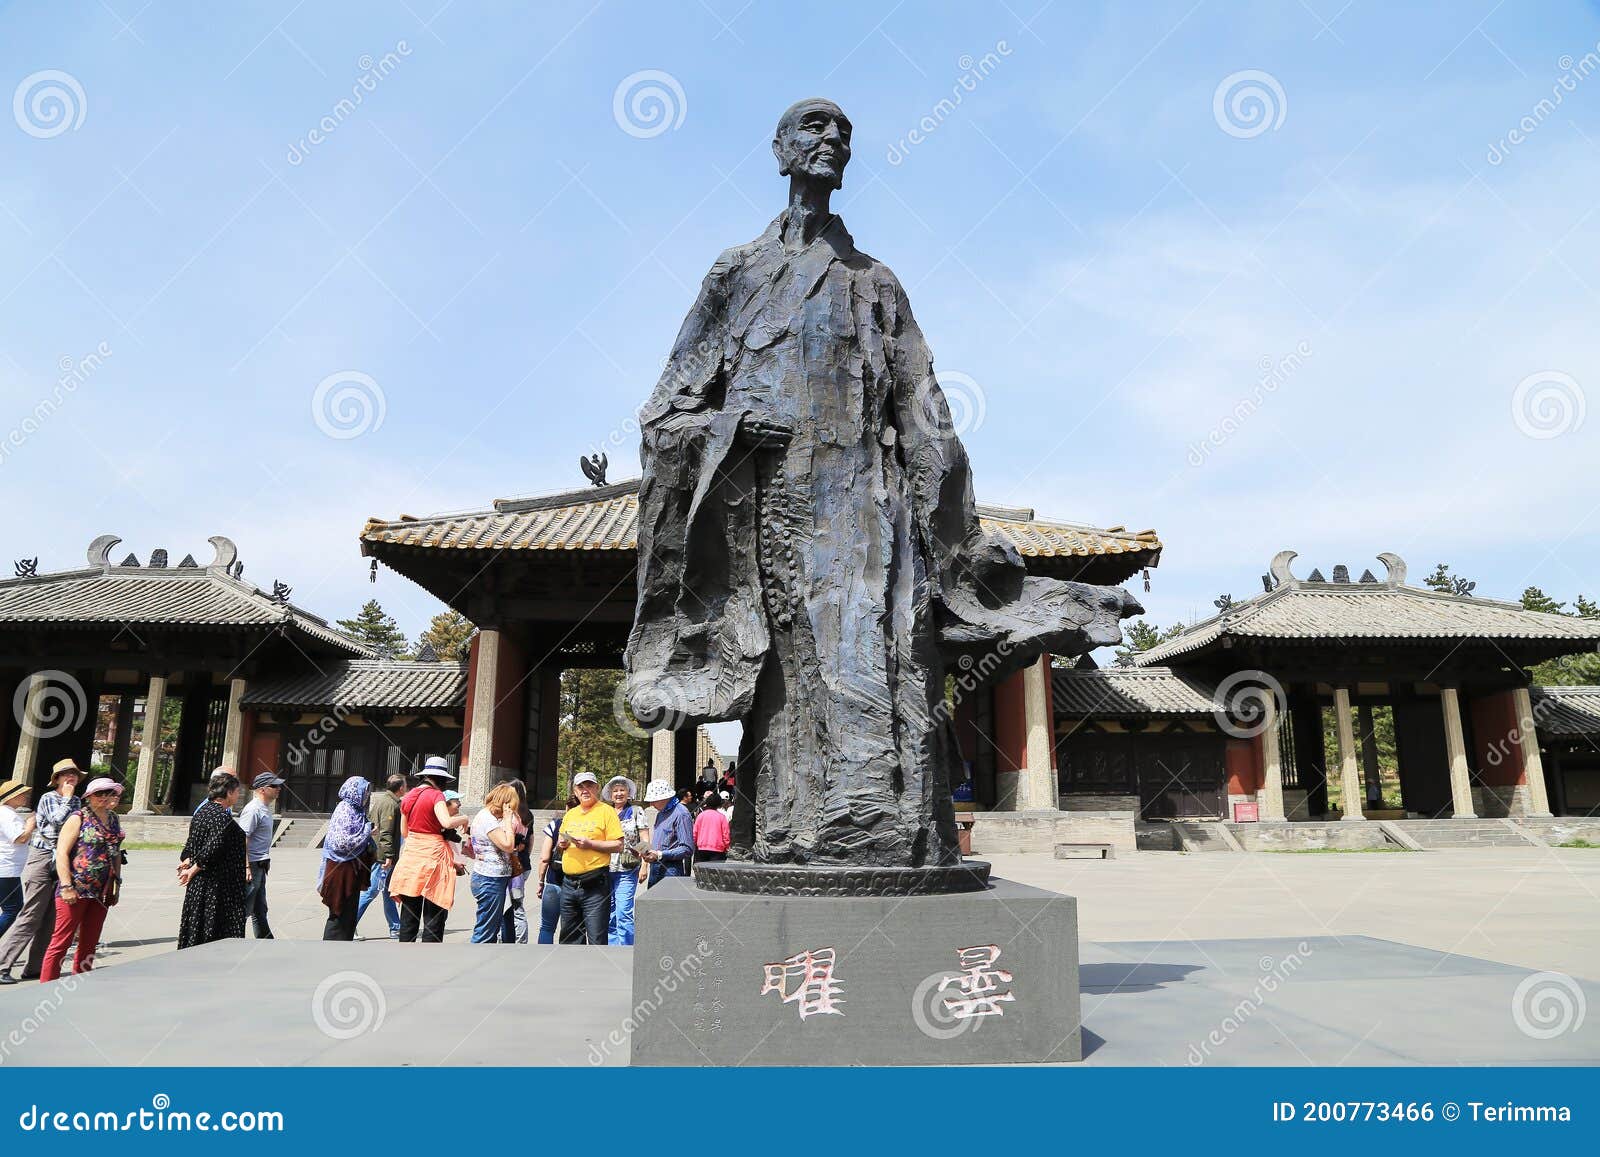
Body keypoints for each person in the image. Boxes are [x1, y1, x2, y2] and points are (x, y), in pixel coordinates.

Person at [0, 759, 81, 984]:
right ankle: (2, 965)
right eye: (66, 774)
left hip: (64, 859)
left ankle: (35, 968)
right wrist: (66, 798)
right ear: (56, 779)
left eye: (74, 774)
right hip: (43, 858)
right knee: (31, 914)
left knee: (51, 918)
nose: (71, 777)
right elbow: (56, 822)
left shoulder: (76, 801)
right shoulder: (49, 798)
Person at [40, 777, 124, 981]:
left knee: (89, 941)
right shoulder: (77, 817)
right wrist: (67, 886)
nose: (106, 797)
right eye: (100, 793)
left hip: (102, 889)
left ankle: (81, 985)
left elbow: (116, 853)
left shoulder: (113, 819)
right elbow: (61, 853)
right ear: (89, 797)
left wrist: (117, 885)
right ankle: (45, 986)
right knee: (62, 941)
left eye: (111, 793)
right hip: (75, 887)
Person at [389, 757, 469, 942]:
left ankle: (405, 954)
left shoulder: (408, 797)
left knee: (409, 916)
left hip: (411, 856)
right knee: (433, 916)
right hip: (434, 857)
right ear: (440, 779)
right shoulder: (436, 795)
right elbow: (446, 822)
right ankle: (429, 958)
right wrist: (464, 819)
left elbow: (404, 831)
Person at [177, 769, 247, 949]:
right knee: (213, 929)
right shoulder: (220, 816)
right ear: (229, 792)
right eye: (237, 791)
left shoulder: (202, 811)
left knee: (198, 926)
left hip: (201, 884)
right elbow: (214, 846)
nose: (239, 795)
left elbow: (192, 842)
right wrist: (194, 868)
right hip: (216, 885)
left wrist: (187, 859)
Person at [556, 771, 622, 945]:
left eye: (589, 786)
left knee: (596, 938)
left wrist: (590, 844)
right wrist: (561, 844)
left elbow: (618, 845)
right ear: (575, 791)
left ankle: (597, 971)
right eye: (580, 787)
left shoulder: (606, 811)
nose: (585, 790)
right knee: (569, 938)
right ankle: (572, 972)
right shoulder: (571, 814)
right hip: (569, 884)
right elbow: (560, 841)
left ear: (597, 788)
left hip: (595, 884)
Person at [318, 776, 376, 941]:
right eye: (364, 792)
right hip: (340, 868)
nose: (366, 795)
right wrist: (366, 831)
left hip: (352, 870)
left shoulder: (357, 810)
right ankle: (332, 949)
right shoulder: (345, 810)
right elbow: (341, 842)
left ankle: (345, 946)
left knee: (349, 915)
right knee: (338, 912)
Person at [467, 783, 520, 943]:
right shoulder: (488, 820)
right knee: (485, 932)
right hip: (490, 878)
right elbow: (508, 845)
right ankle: (475, 965)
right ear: (506, 804)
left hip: (489, 877)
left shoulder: (486, 816)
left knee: (490, 927)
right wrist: (509, 821)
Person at [355, 773, 405, 939]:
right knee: (371, 891)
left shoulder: (382, 800)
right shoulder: (390, 804)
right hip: (383, 856)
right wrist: (389, 856)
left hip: (381, 853)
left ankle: (395, 927)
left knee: (388, 892)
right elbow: (386, 832)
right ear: (401, 788)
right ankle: (349, 923)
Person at [237, 772, 283, 940]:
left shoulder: (264, 808)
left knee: (259, 908)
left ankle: (265, 941)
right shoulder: (253, 809)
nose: (279, 789)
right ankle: (233, 940)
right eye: (274, 786)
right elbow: (243, 839)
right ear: (262, 789)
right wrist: (246, 866)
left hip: (261, 864)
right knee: (245, 908)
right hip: (253, 865)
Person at [605, 776, 648, 946]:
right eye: (615, 791)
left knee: (623, 912)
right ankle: (612, 949)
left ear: (628, 792)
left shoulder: (636, 811)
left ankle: (627, 950)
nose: (619, 794)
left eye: (622, 790)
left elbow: (644, 839)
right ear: (610, 794)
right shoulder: (605, 812)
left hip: (627, 869)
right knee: (610, 913)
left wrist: (645, 865)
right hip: (605, 868)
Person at [533, 795, 575, 944]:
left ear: (566, 807)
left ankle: (542, 957)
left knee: (547, 927)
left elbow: (544, 858)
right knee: (570, 927)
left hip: (553, 880)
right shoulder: (586, 827)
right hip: (575, 883)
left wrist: (540, 882)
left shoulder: (556, 824)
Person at [0, 779, 37, 938]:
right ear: (12, 796)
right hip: (6, 869)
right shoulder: (7, 814)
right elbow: (19, 838)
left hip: (7, 868)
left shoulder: (7, 813)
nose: (26, 796)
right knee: (12, 908)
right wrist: (30, 824)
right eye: (22, 794)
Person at [641, 779, 694, 886]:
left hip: (671, 869)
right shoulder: (660, 813)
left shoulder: (681, 814)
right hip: (655, 867)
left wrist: (660, 854)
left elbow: (687, 849)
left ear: (665, 798)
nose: (651, 804)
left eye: (654, 800)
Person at [499, 779, 534, 944]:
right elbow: (531, 840)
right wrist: (524, 854)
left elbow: (508, 842)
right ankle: (518, 939)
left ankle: (512, 940)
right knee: (516, 903)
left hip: (512, 868)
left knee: (513, 905)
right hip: (523, 865)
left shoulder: (511, 816)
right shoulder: (528, 814)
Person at [693, 788, 731, 865]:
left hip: (702, 848)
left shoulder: (700, 816)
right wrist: (727, 847)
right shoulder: (722, 817)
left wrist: (695, 844)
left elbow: (695, 832)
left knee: (702, 873)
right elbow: (726, 834)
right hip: (718, 850)